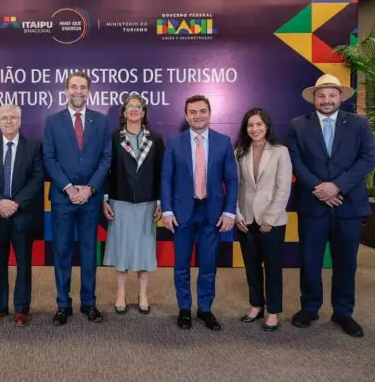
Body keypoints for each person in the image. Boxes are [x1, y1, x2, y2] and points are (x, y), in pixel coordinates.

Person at [287, 74, 375, 338]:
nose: (327, 100)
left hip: (348, 205)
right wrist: (319, 188)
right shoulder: (298, 125)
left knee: (346, 262)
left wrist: (337, 186)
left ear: (341, 97)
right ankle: (310, 307)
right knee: (310, 260)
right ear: (314, 98)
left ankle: (343, 312)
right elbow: (295, 160)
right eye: (321, 95)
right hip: (312, 205)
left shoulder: (359, 124)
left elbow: (368, 158)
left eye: (332, 95)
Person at [161, 94, 237, 331]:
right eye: (192, 112)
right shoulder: (174, 142)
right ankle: (184, 309)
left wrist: (230, 212)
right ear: (186, 116)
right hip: (182, 212)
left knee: (208, 264)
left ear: (210, 113)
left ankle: (205, 309)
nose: (198, 116)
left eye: (202, 111)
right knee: (181, 265)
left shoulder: (223, 142)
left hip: (212, 212)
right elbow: (166, 178)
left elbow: (232, 180)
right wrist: (167, 210)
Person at [43, 71, 111, 325]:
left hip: (90, 199)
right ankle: (63, 305)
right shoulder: (53, 121)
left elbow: (106, 158)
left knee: (88, 252)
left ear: (89, 91)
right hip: (63, 198)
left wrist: (89, 189)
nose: (78, 91)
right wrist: (69, 188)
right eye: (74, 87)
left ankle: (89, 303)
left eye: (83, 87)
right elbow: (49, 158)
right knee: (62, 252)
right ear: (66, 91)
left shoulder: (101, 121)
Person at [0, 104, 43, 327]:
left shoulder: (33, 146)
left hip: (22, 214)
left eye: (13, 117)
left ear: (20, 121)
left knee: (23, 264)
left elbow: (37, 178)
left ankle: (22, 309)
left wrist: (15, 203)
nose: (8, 121)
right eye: (4, 118)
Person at [103, 94, 164, 315]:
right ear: (124, 111)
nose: (134, 110)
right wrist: (105, 199)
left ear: (144, 112)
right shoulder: (113, 137)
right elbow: (106, 170)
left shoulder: (156, 139)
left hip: (147, 202)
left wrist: (160, 201)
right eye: (130, 106)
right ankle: (120, 293)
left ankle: (143, 294)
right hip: (120, 201)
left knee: (144, 249)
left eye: (138, 106)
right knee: (122, 248)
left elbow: (161, 172)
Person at [234, 108, 292, 332]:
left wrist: (270, 217)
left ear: (267, 126)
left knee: (273, 267)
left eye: (259, 124)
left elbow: (283, 188)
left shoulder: (280, 151)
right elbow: (236, 186)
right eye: (250, 125)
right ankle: (256, 305)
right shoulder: (240, 152)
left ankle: (273, 311)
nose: (254, 129)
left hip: (272, 220)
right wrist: (237, 214)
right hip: (245, 218)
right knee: (251, 265)